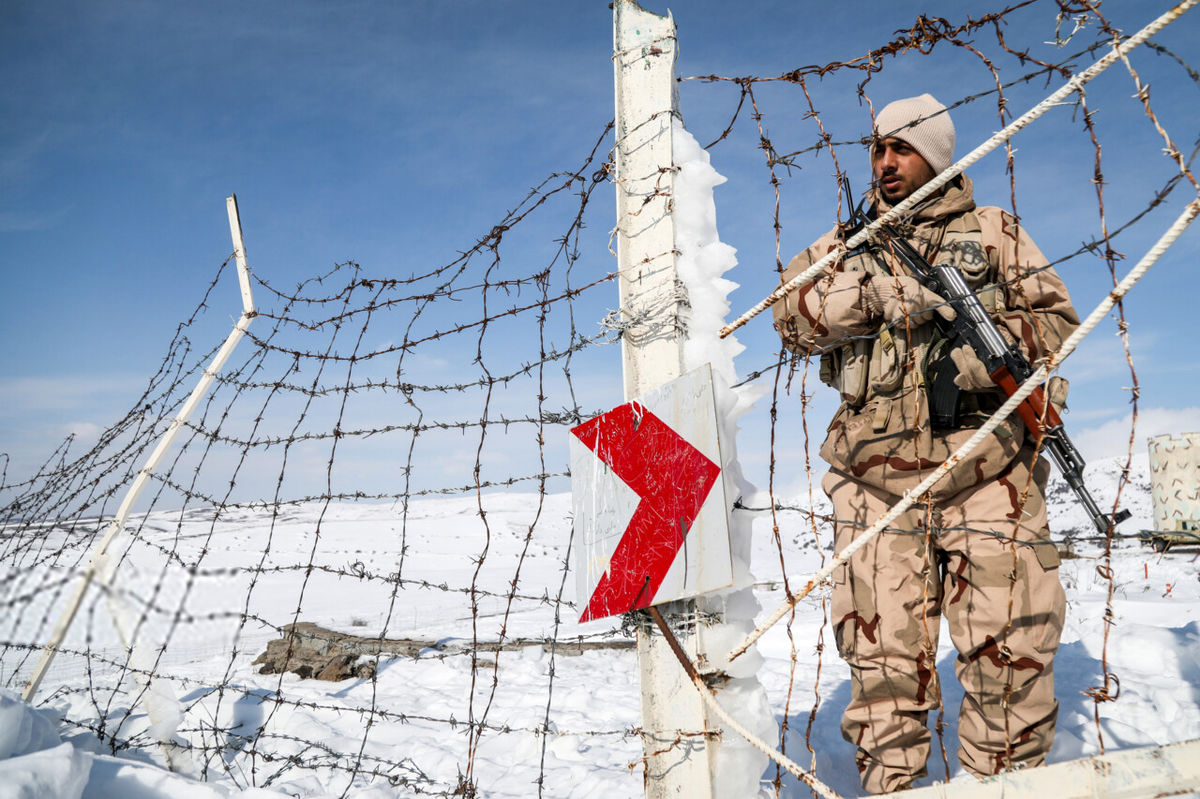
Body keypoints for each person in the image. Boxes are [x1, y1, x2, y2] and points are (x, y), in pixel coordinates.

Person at [772, 94, 1081, 793]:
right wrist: (871, 298)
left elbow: (1059, 323)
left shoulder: (996, 232)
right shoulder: (846, 245)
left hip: (988, 475)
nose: (885, 162)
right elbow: (789, 314)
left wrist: (980, 357)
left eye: (901, 149)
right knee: (882, 674)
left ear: (937, 156)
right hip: (874, 487)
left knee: (1012, 660)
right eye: (878, 148)